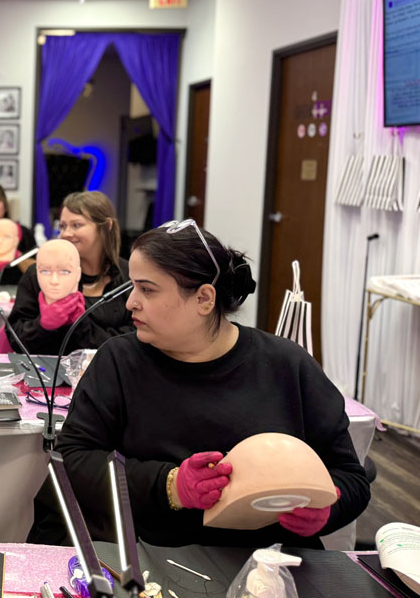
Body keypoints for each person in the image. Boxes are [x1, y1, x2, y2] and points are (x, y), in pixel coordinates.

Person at [55, 221, 370, 548]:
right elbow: (74, 461)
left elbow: (351, 479)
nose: (130, 302)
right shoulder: (120, 361)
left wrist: (327, 509)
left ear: (204, 299)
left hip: (275, 570)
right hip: (156, 563)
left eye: (147, 289)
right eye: (132, 287)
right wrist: (171, 485)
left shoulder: (286, 365)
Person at [8, 191, 133, 354]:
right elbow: (15, 338)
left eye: (76, 225)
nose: (65, 234)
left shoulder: (130, 276)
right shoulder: (40, 273)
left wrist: (81, 326)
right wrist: (42, 325)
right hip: (46, 374)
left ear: (106, 226)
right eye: (62, 226)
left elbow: (135, 340)